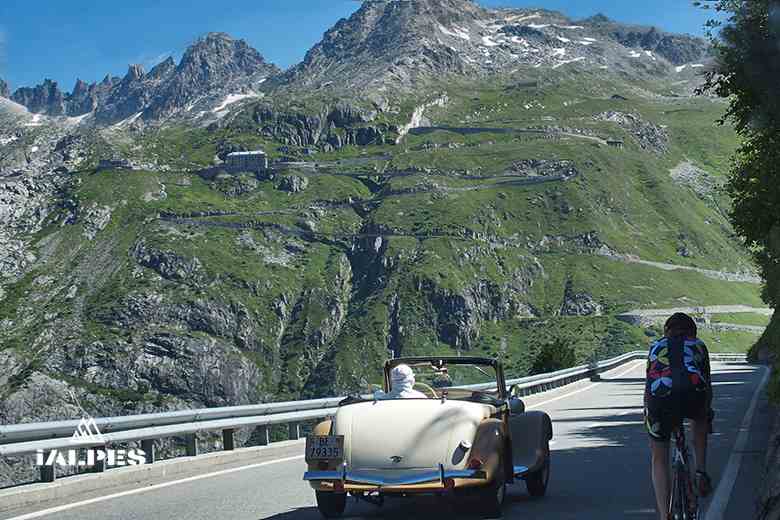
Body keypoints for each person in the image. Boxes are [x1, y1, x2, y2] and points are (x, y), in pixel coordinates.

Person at [645, 313, 713, 520]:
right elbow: (707, 387)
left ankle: (664, 514)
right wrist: (707, 415)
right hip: (692, 395)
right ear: (693, 331)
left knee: (659, 458)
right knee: (700, 419)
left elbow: (648, 386)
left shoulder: (656, 346)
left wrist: (648, 415)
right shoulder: (698, 345)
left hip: (660, 399)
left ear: (666, 331)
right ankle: (700, 471)